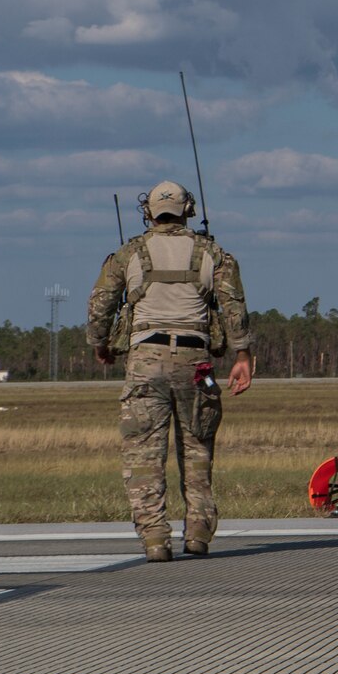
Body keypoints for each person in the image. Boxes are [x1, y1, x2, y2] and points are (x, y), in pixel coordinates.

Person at [85, 179, 254, 562]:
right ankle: (198, 531)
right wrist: (243, 356)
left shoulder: (128, 254)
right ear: (187, 210)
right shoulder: (213, 254)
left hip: (145, 360)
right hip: (197, 362)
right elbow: (234, 309)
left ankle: (154, 538)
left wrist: (101, 344)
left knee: (144, 453)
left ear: (149, 212)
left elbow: (99, 307)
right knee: (197, 448)